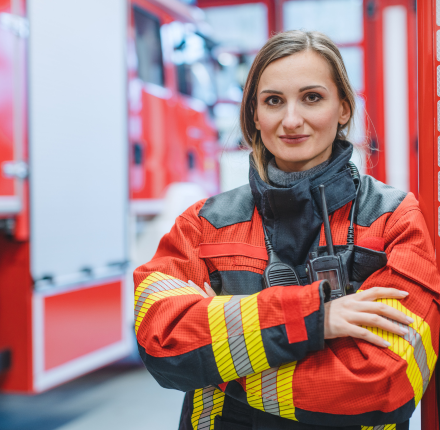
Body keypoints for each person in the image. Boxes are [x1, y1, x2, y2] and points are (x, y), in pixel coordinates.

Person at [133, 30, 440, 430]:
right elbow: (164, 342)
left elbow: (380, 385)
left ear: (343, 108)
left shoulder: (393, 218)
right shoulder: (203, 224)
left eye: (312, 97)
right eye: (273, 101)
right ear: (255, 115)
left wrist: (221, 360)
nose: (291, 120)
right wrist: (316, 319)